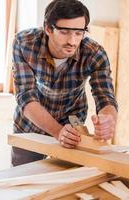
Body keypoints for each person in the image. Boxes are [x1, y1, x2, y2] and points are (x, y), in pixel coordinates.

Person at [11, 0, 118, 166]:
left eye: (78, 33)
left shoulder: (95, 53)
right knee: (22, 179)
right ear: (48, 28)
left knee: (65, 180)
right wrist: (57, 131)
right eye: (65, 32)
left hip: (71, 122)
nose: (72, 41)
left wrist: (107, 120)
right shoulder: (24, 43)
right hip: (30, 124)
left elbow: (105, 97)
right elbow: (26, 96)